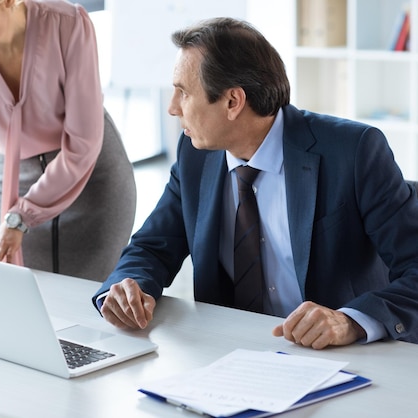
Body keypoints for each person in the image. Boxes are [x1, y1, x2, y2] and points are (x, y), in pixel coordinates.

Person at [92, 17, 418, 349]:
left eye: (184, 92)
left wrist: (350, 321)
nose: (172, 108)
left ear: (233, 102)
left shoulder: (353, 152)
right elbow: (152, 247)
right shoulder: (196, 156)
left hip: (340, 358)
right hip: (229, 354)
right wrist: (125, 288)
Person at [0, 0, 136, 287]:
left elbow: (83, 144)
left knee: (89, 310)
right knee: (17, 303)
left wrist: (21, 217)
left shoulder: (68, 25)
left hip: (91, 179)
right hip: (12, 177)